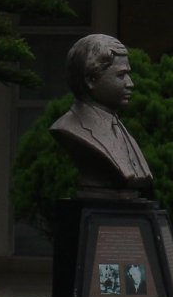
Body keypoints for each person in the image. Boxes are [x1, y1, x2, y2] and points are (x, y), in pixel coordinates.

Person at [51, 34, 153, 192]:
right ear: (91, 80)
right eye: (121, 75)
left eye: (128, 74)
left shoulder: (118, 125)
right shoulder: (68, 127)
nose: (130, 83)